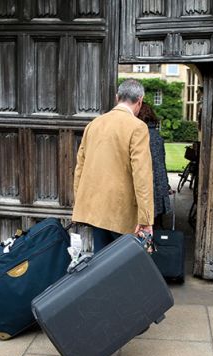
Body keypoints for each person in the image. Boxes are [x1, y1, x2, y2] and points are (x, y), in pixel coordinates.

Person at [72, 79, 154, 253]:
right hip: (122, 212)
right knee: (126, 264)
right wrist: (146, 218)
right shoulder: (138, 127)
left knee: (102, 264)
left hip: (95, 210)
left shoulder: (94, 124)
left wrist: (80, 204)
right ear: (140, 100)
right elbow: (142, 175)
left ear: (117, 98)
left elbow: (80, 167)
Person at [137, 102, 171, 229]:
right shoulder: (156, 135)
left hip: (147, 187)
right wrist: (165, 186)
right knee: (156, 225)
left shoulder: (140, 134)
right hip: (158, 186)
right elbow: (161, 165)